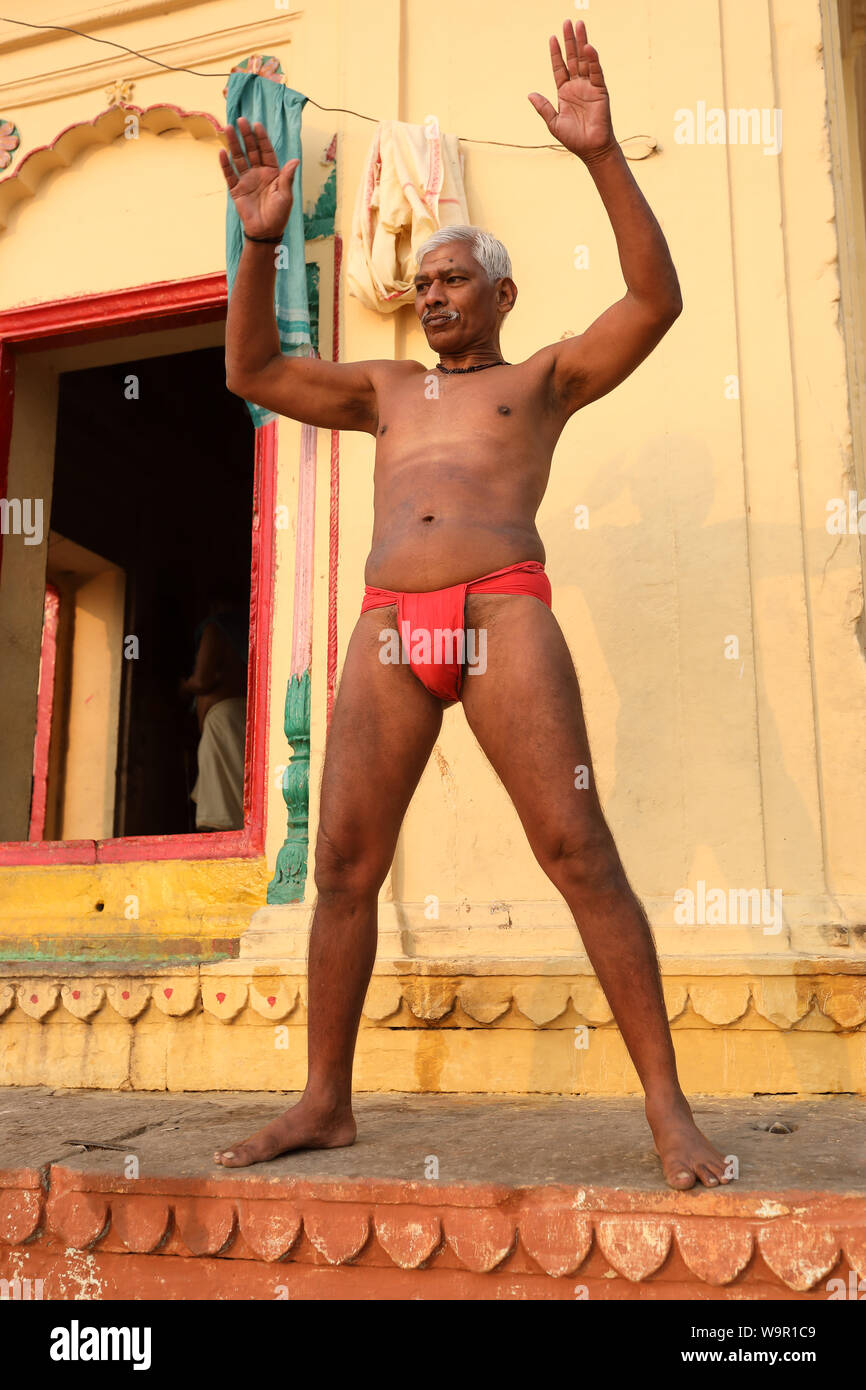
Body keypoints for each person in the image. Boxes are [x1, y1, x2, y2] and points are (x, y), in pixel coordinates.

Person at [214, 20, 731, 1189]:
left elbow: (655, 300)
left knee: (576, 848)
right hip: (387, 627)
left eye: (454, 279)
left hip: (503, 613)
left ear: (498, 290)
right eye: (424, 282)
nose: (433, 294)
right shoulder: (386, 388)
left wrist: (601, 155)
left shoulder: (539, 380)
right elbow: (251, 373)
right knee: (344, 859)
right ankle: (323, 1100)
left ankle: (666, 1114)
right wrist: (260, 245)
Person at [180, 597, 248, 831]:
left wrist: (183, 686)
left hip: (223, 719)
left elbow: (201, 681)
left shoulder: (216, 627)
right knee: (237, 786)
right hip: (242, 714)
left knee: (220, 809)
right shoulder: (248, 627)